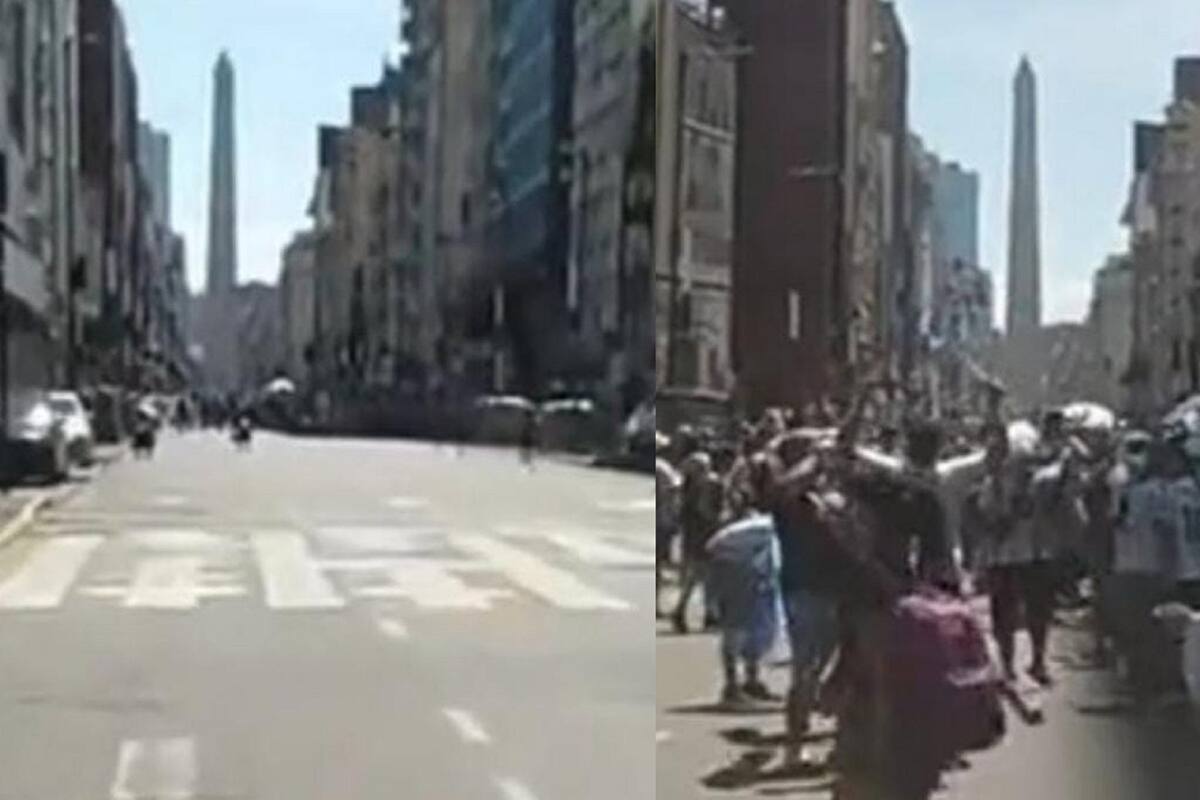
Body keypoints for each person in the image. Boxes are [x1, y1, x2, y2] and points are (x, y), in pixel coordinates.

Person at [705, 454, 780, 704]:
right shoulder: (751, 519)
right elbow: (716, 545)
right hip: (736, 570)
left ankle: (751, 680)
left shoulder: (765, 514)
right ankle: (731, 685)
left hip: (755, 572)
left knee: (757, 630)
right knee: (735, 631)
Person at [672, 450, 724, 633]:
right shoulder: (709, 484)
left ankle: (708, 613)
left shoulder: (687, 487)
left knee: (697, 576)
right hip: (706, 534)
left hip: (692, 535)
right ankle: (689, 611)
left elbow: (680, 512)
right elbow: (706, 510)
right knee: (705, 576)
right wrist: (719, 521)